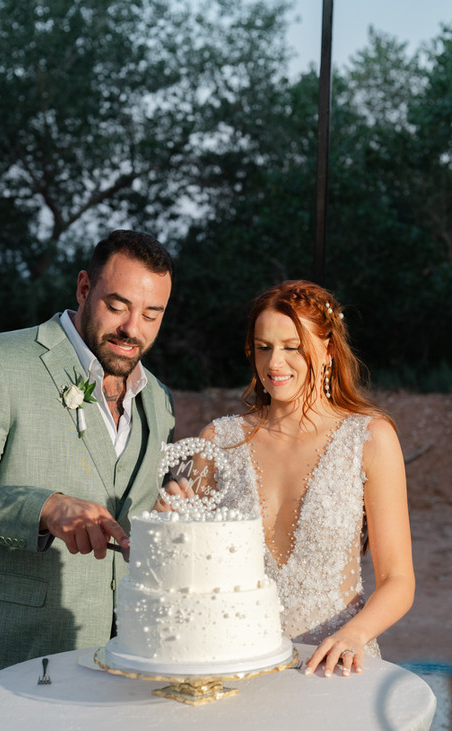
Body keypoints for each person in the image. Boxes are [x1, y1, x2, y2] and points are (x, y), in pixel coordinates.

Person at [157, 279, 415, 678]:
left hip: (334, 669)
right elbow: (186, 568)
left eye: (292, 347)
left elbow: (398, 580)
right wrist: (169, 524)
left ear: (327, 349)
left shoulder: (369, 438)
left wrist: (354, 634)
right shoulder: (218, 441)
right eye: (263, 347)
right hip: (236, 665)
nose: (274, 363)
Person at [0, 229, 175, 699]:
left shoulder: (159, 399)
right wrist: (44, 508)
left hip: (125, 665)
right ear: (84, 289)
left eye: (151, 314)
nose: (132, 329)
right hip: (13, 656)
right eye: (117, 305)